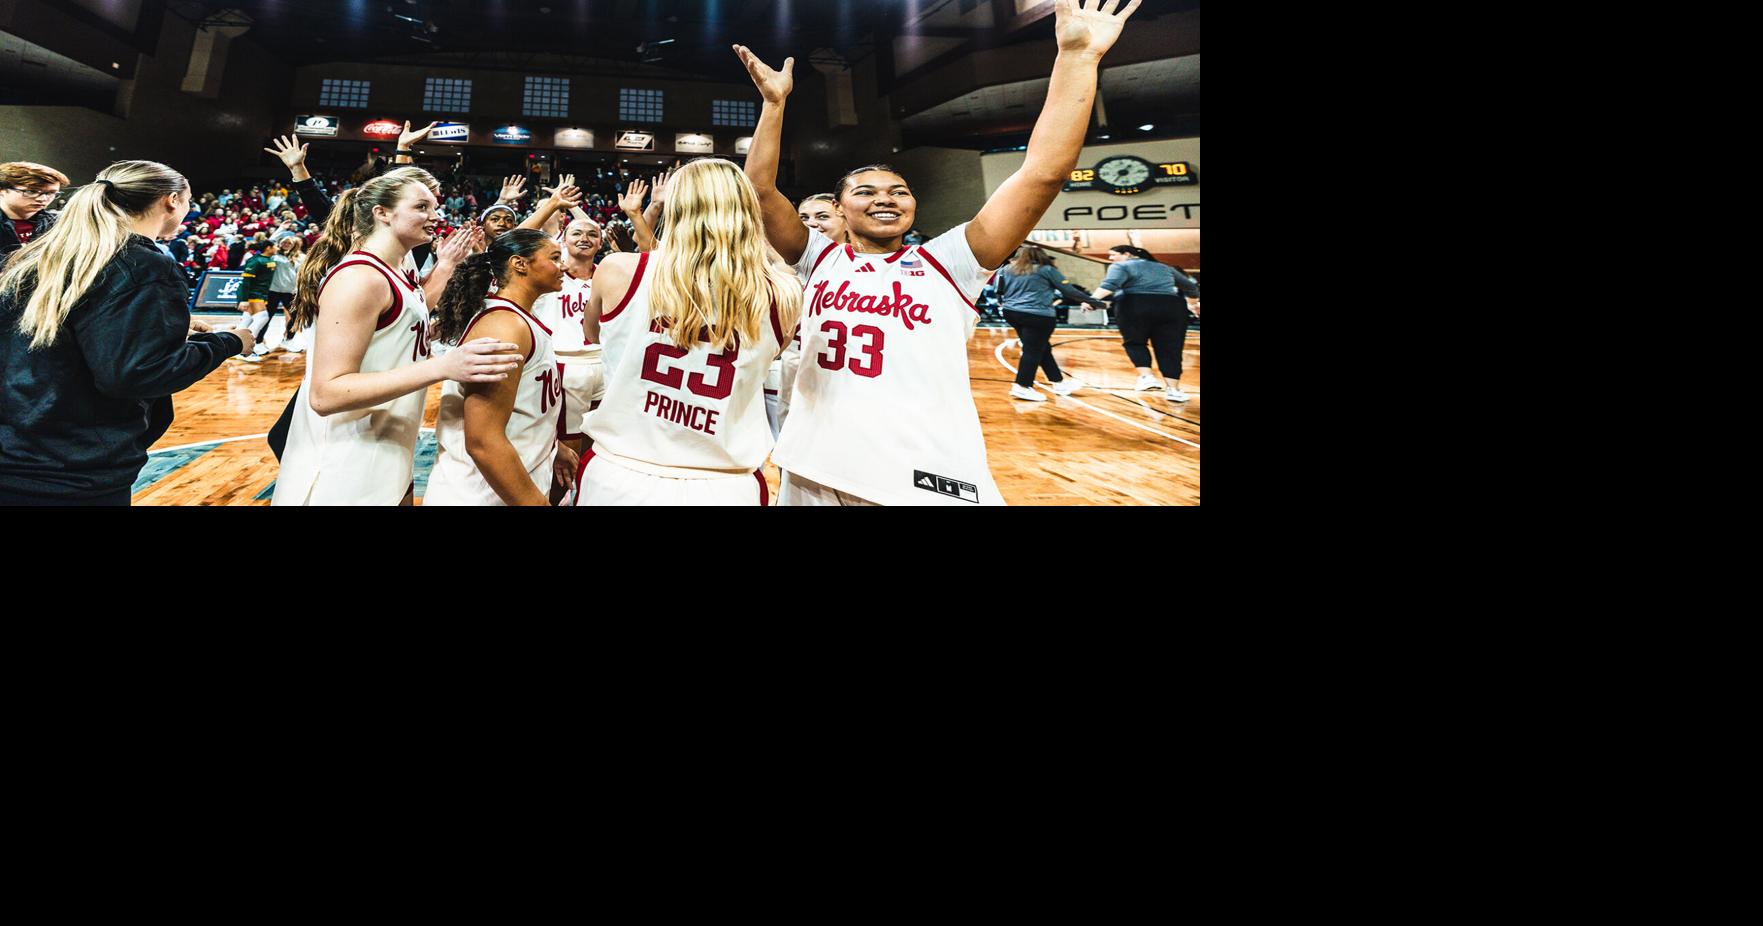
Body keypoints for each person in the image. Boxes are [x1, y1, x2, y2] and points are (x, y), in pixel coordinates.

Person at [735, 0, 1141, 506]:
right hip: (813, 466)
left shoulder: (951, 261)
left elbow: (1043, 173)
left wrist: (1077, 58)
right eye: (866, 191)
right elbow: (758, 188)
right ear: (838, 209)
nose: (885, 197)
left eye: (899, 190)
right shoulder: (820, 259)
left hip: (923, 474)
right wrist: (774, 106)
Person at [0, 160, 255, 505]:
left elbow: (65, 340)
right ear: (172, 201)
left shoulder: (40, 254)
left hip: (19, 449)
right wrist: (228, 342)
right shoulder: (142, 264)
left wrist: (159, 330)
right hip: (73, 469)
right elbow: (136, 373)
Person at [271, 168, 525, 506]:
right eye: (422, 207)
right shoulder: (360, 278)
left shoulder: (399, 271)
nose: (436, 216)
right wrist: (442, 367)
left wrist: (437, 305)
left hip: (382, 449)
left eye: (435, 207)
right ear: (383, 213)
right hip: (340, 465)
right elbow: (325, 393)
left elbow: (398, 326)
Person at [575, 157, 801, 506]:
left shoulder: (619, 269)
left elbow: (592, 334)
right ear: (746, 208)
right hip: (724, 483)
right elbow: (769, 353)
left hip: (620, 475)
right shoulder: (783, 291)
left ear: (676, 207)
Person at [425, 229, 577, 506]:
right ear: (519, 264)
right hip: (478, 494)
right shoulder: (504, 326)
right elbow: (483, 441)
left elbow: (521, 406)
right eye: (555, 257)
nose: (563, 265)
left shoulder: (513, 318)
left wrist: (553, 445)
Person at [531, 215, 604, 471]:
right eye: (576, 233)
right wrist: (556, 206)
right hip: (564, 363)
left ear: (600, 243)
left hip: (605, 365)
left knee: (600, 444)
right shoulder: (548, 276)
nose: (584, 239)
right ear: (563, 240)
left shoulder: (608, 277)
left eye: (592, 235)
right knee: (566, 451)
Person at [1092, 244, 1200, 400]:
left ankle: (1147, 377)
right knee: (1170, 349)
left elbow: (1110, 285)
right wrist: (1193, 304)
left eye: (1113, 255)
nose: (1111, 259)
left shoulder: (1121, 267)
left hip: (1134, 304)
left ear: (1127, 254)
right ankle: (1174, 390)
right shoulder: (1164, 267)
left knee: (1135, 342)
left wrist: (1090, 300)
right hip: (1171, 306)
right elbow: (1191, 287)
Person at [994, 245, 1103, 401]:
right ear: (1041, 256)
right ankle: (1022, 386)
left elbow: (998, 291)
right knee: (1033, 350)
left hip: (1011, 312)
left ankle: (1059, 383)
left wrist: (1004, 304)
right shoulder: (1046, 270)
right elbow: (1069, 291)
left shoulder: (1005, 270)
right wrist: (1097, 303)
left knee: (1042, 348)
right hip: (1038, 315)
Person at [1, 162, 67, 258]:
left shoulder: (60, 223)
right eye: (31, 191)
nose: (43, 199)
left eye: (51, 193)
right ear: (2, 190)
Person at [233, 237, 279, 362]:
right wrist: (243, 299)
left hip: (262, 295)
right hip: (253, 294)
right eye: (275, 246)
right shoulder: (254, 261)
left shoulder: (269, 259)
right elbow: (246, 282)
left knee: (245, 322)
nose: (277, 248)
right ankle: (246, 350)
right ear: (268, 248)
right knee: (262, 318)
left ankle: (233, 348)